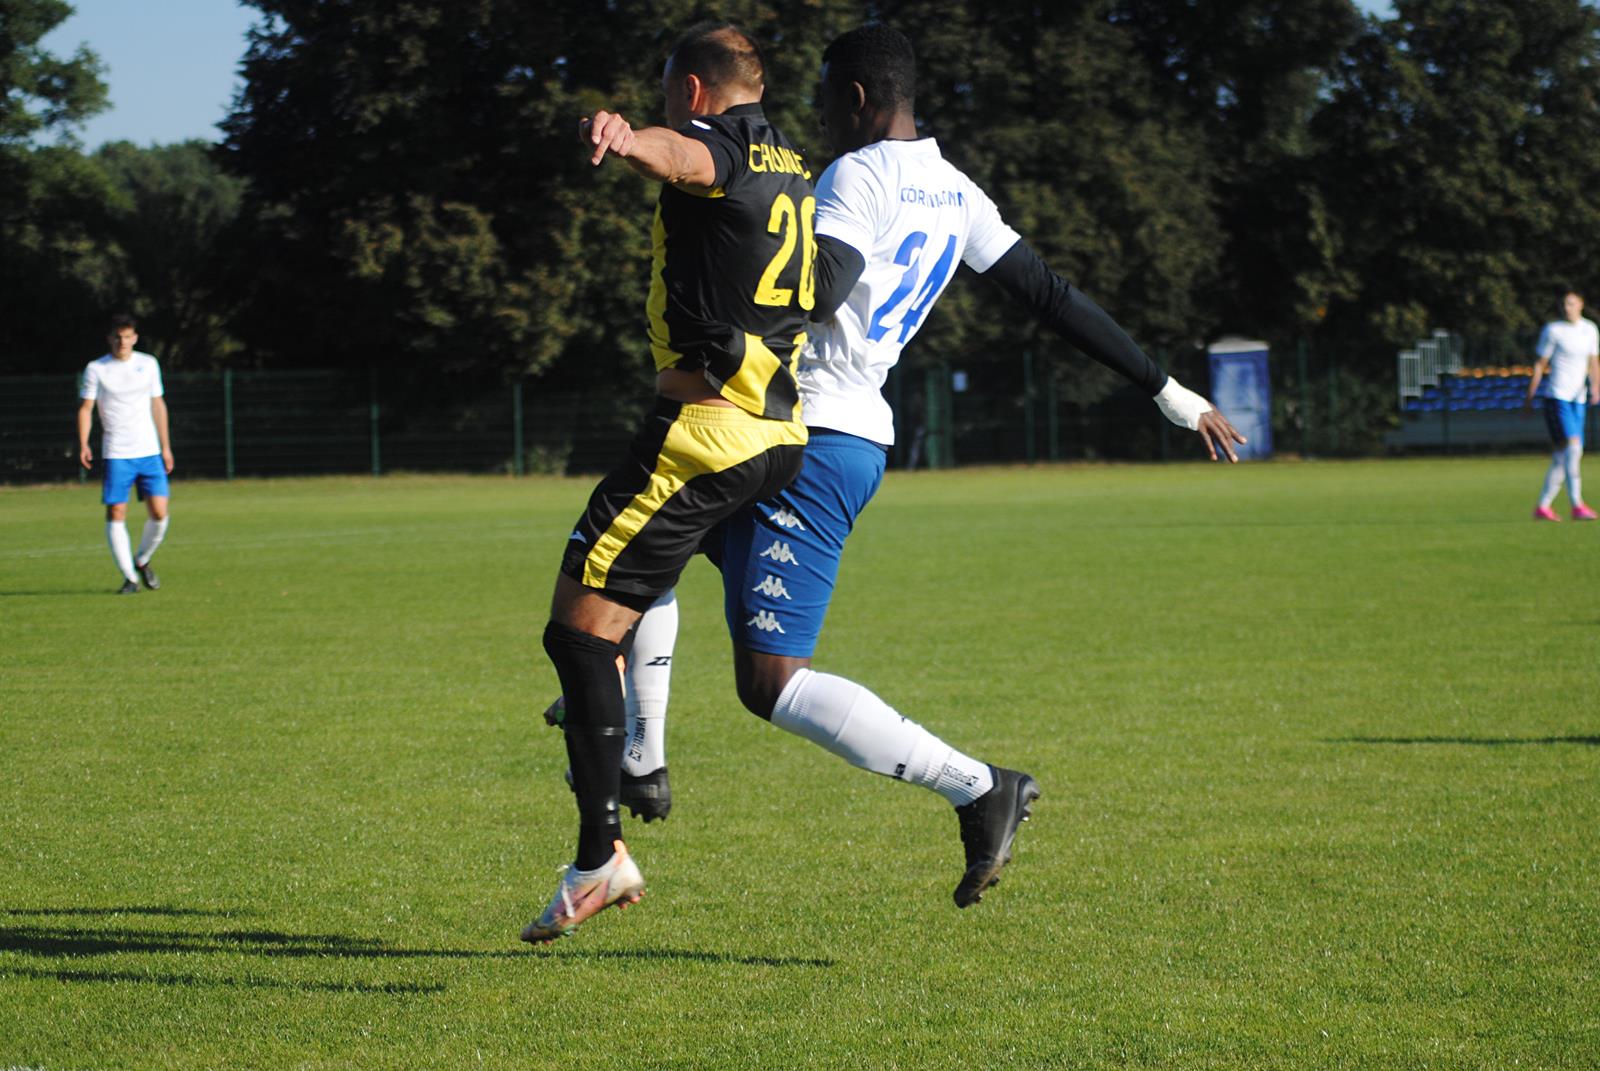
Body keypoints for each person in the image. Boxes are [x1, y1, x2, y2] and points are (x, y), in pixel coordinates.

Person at [547, 24, 1245, 929]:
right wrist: (1170, 391)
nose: (823, 115)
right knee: (650, 560)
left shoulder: (854, 177)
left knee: (769, 679)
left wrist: (735, 322)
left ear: (861, 100)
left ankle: (978, 786)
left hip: (811, 430)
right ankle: (638, 750)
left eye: (831, 97)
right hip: (834, 435)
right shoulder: (959, 193)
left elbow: (821, 279)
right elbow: (1052, 296)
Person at [522, 22, 815, 943]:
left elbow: (682, 160)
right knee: (623, 604)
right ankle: (631, 747)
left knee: (577, 629)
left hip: (701, 433)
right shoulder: (796, 167)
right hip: (776, 430)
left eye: (662, 94)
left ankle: (602, 852)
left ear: (693, 89)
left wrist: (624, 135)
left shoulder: (713, 146)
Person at [77, 313, 174, 594]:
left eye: (128, 336)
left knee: (159, 513)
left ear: (135, 338)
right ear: (110, 338)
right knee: (117, 510)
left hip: (149, 451)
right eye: (117, 337)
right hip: (117, 452)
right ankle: (130, 578)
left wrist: (166, 446)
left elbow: (158, 405)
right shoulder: (97, 369)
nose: (123, 342)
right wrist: (84, 443)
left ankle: (141, 560)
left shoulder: (148, 364)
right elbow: (86, 408)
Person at [1526, 290, 1599, 521]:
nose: (1567, 307)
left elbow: (1593, 362)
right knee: (1574, 448)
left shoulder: (1590, 330)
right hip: (1557, 397)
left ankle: (1543, 507)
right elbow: (1540, 364)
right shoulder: (1553, 330)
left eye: (1571, 303)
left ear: (1580, 305)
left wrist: (1595, 386)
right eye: (1564, 304)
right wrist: (1530, 395)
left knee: (1561, 455)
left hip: (1578, 398)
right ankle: (1577, 505)